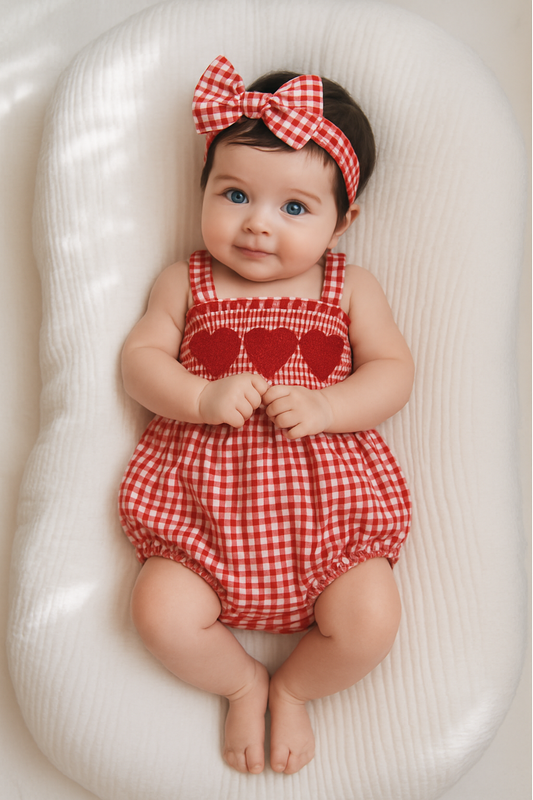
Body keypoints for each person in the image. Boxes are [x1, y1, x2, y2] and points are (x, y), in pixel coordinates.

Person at [119, 55, 414, 776]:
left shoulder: (349, 287)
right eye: (234, 194)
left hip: (328, 525)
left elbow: (393, 372)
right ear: (203, 189)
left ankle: (296, 687)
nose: (256, 225)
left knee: (370, 621)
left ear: (341, 223)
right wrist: (198, 396)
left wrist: (329, 404)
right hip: (202, 520)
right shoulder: (183, 280)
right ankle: (241, 680)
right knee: (157, 611)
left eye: (293, 208)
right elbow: (138, 361)